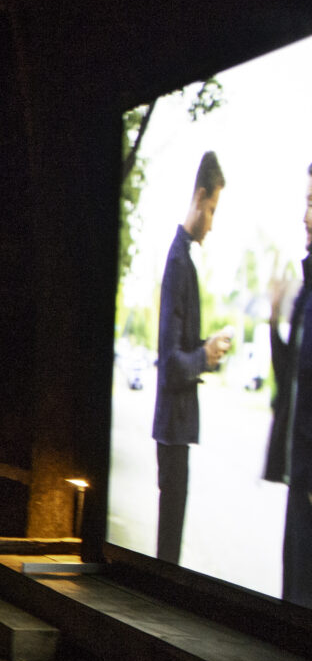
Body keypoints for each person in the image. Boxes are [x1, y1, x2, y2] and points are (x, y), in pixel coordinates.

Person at [151, 151, 236, 566]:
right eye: (213, 210)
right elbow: (170, 364)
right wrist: (203, 355)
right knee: (168, 553)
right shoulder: (178, 261)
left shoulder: (183, 259)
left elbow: (179, 348)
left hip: (175, 430)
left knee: (170, 547)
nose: (213, 224)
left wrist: (207, 348)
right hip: (172, 430)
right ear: (200, 197)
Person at [274, 163, 312, 607]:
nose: (305, 215)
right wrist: (271, 321)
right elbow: (290, 380)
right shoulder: (306, 291)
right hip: (297, 479)